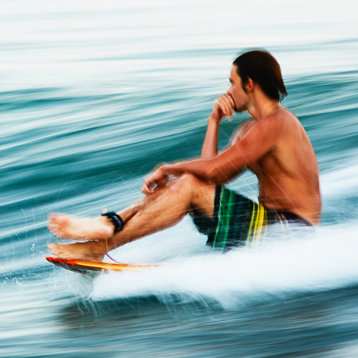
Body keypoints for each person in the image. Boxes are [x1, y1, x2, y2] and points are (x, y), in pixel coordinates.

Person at [48, 50, 321, 262]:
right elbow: (210, 176)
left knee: (186, 182)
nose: (228, 91)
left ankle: (100, 246)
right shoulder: (250, 130)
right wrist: (213, 121)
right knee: (184, 183)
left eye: (232, 83)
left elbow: (210, 171)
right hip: (269, 227)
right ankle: (112, 223)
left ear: (249, 84)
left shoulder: (277, 123)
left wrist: (168, 167)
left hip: (291, 232)